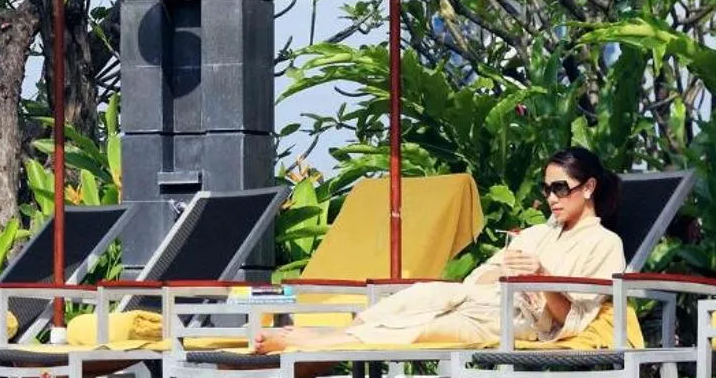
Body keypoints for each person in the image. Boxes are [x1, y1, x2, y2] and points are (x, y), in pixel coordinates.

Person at [254, 147, 626, 353]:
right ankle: (326, 337)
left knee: (434, 328)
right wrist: (500, 271)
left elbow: (573, 318)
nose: (551, 198)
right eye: (546, 190)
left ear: (588, 187)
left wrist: (541, 278)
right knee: (418, 295)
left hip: (517, 321)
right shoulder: (536, 234)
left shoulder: (605, 244)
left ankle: (314, 342)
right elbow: (477, 277)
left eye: (559, 189)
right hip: (482, 298)